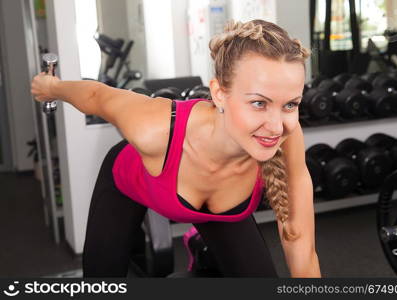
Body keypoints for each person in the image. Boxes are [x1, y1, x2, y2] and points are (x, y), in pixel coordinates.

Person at [31, 19, 321, 278]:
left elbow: (301, 246)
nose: (275, 126)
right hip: (128, 184)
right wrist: (51, 87)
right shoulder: (153, 128)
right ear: (219, 94)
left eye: (290, 104)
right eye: (259, 103)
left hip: (218, 207)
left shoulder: (285, 136)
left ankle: (197, 242)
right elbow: (96, 95)